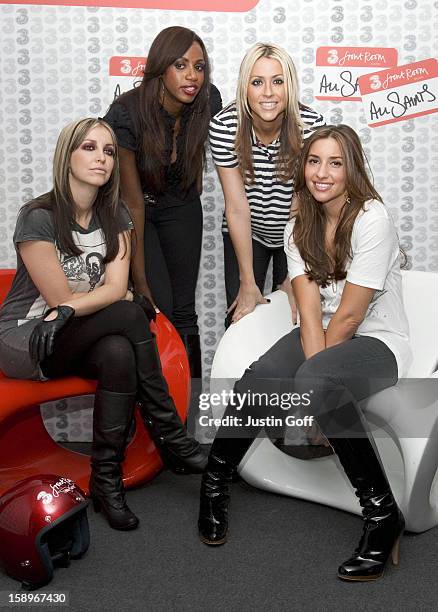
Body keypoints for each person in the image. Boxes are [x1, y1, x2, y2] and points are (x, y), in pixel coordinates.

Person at [198, 125, 412, 582]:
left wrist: (313, 389)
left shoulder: (373, 218)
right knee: (259, 380)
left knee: (316, 381)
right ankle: (214, 484)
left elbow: (351, 316)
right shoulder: (299, 223)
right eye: (314, 161)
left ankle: (382, 516)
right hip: (324, 334)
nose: (322, 172)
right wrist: (311, 378)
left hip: (376, 340)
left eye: (335, 162)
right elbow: (311, 315)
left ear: (351, 168)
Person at [0, 118, 206, 532]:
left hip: (76, 331)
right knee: (129, 313)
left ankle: (106, 483)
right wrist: (113, 300)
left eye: (109, 151)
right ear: (68, 156)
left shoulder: (116, 217)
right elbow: (60, 303)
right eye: (89, 147)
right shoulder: (38, 217)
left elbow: (112, 290)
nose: (101, 158)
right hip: (28, 336)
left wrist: (105, 301)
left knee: (117, 351)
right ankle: (170, 433)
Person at [103, 26, 222, 386]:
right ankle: (160, 418)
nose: (192, 76)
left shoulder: (208, 100)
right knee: (158, 308)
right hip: (140, 212)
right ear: (160, 68)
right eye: (181, 65)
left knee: (186, 313)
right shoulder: (127, 112)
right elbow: (132, 202)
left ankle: (188, 422)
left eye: (199, 67)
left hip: (182, 205)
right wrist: (139, 281)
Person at [209, 42, 325, 327]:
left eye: (278, 81)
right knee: (241, 317)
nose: (268, 93)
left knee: (293, 318)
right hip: (248, 232)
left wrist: (291, 275)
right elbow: (236, 209)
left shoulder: (310, 126)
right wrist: (247, 281)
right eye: (257, 82)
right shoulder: (224, 126)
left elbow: (303, 207)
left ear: (290, 86)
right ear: (244, 87)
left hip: (296, 230)